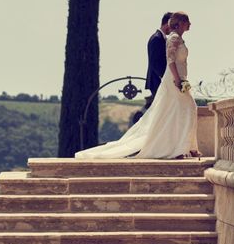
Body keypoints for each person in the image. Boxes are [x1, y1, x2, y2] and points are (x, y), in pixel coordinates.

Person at [75, 11, 200, 159]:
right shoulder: (170, 38)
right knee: (182, 109)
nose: (190, 24)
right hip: (173, 80)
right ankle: (180, 148)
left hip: (179, 78)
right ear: (179, 23)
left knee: (182, 110)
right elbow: (169, 61)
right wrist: (176, 79)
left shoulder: (175, 38)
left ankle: (187, 147)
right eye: (187, 21)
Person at [146, 12, 173, 99]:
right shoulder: (157, 38)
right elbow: (155, 62)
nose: (173, 29)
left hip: (159, 81)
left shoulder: (161, 38)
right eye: (173, 25)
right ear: (168, 23)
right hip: (157, 81)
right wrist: (165, 78)